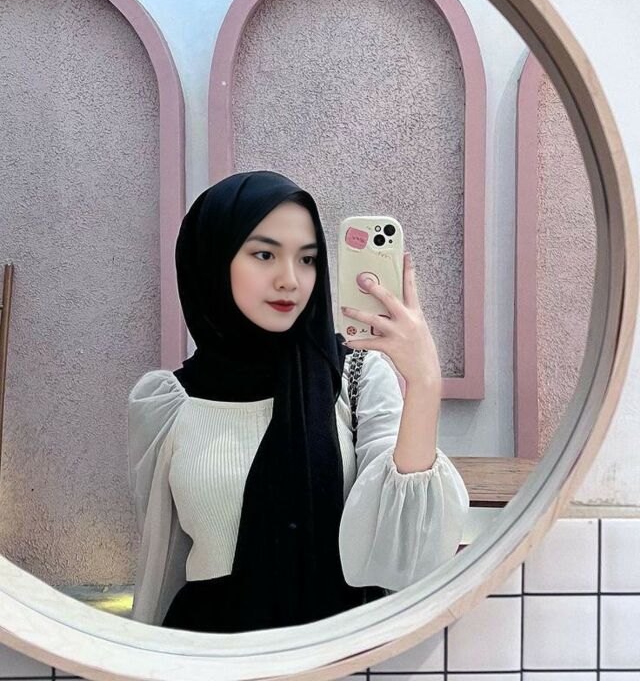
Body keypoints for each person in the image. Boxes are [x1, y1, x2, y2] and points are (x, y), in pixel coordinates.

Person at [127, 170, 469, 633]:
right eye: (264, 254)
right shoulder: (168, 402)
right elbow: (161, 563)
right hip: (211, 649)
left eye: (307, 259)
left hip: (337, 645)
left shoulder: (355, 376)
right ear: (212, 259)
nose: (291, 280)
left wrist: (425, 380)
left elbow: (403, 552)